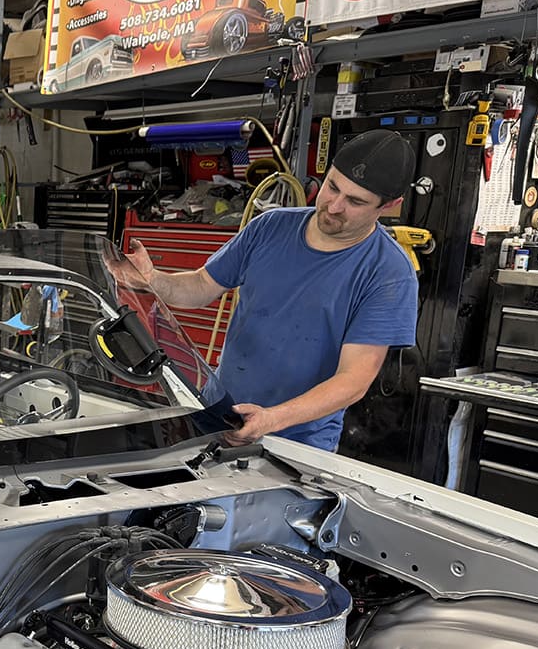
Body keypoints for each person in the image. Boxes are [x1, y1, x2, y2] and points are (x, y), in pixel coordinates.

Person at [110, 129, 420, 451]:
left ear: (390, 206)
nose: (334, 205)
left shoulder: (389, 273)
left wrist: (270, 419)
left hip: (299, 443)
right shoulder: (271, 227)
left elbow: (353, 381)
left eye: (355, 201)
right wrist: (152, 279)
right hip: (222, 415)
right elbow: (202, 285)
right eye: (332, 187)